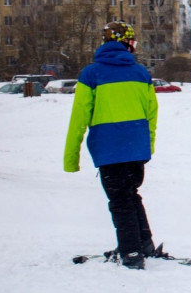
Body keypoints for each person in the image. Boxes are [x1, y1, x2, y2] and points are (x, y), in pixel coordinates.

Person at [64, 21, 161, 270]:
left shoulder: (91, 74)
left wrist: (71, 157)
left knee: (120, 200)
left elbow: (79, 119)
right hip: (136, 149)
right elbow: (151, 113)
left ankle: (130, 253)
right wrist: (147, 146)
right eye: (133, 43)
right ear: (126, 43)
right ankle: (144, 244)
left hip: (109, 150)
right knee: (131, 195)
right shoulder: (141, 73)